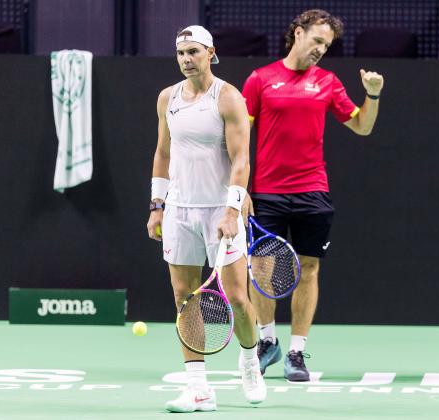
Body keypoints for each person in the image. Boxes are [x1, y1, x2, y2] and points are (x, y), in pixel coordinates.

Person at [240, 9, 384, 381]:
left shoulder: (328, 82)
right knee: (262, 271)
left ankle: (297, 353)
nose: (322, 49)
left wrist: (373, 95)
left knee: (310, 270)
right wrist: (239, 190)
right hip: (267, 193)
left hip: (312, 192)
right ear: (299, 33)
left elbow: (362, 126)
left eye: (327, 45)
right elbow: (239, 139)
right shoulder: (260, 80)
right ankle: (267, 340)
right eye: (318, 40)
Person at [146, 25, 266, 412]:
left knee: (237, 298)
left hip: (220, 211)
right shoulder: (168, 99)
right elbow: (163, 153)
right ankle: (199, 389)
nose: (186, 59)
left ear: (210, 53)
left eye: (193, 52)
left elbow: (241, 159)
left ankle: (250, 362)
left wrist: (232, 211)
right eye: (181, 53)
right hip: (179, 211)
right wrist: (156, 205)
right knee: (185, 299)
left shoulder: (228, 97)